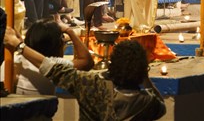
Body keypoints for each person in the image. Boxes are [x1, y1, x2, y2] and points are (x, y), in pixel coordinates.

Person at [3, 27, 166, 120]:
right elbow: (162, 105)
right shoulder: (148, 104)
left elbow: (52, 68)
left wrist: (19, 46)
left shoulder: (92, 85)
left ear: (113, 64)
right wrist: (145, 79)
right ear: (143, 70)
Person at [14, 19, 93, 95]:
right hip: (43, 108)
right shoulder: (53, 64)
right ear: (55, 44)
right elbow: (87, 62)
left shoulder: (16, 59)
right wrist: (70, 31)